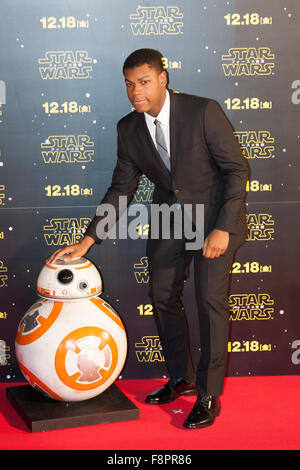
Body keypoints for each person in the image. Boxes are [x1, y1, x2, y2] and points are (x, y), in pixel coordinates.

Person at [48, 48, 249, 429]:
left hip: (215, 218)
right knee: (161, 297)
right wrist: (88, 240)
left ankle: (209, 393)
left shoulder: (203, 110)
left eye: (143, 82)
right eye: (129, 84)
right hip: (171, 218)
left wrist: (223, 227)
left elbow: (237, 171)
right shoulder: (129, 128)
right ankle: (181, 377)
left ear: (162, 79)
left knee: (209, 301)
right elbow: (122, 188)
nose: (135, 91)